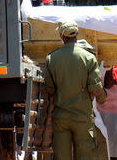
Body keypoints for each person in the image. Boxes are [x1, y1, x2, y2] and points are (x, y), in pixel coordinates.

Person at [44, 19, 108, 160]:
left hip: (61, 119)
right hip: (83, 118)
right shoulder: (89, 57)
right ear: (76, 34)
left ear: (62, 35)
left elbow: (49, 90)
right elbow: (95, 88)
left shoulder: (51, 58)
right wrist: (103, 97)